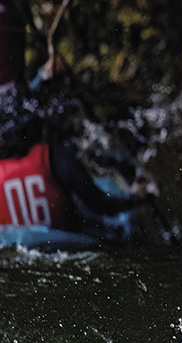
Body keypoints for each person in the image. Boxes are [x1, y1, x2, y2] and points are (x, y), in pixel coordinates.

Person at [0, 0, 145, 237]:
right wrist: (137, 198)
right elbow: (101, 204)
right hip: (71, 243)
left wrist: (43, 77)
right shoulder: (55, 159)